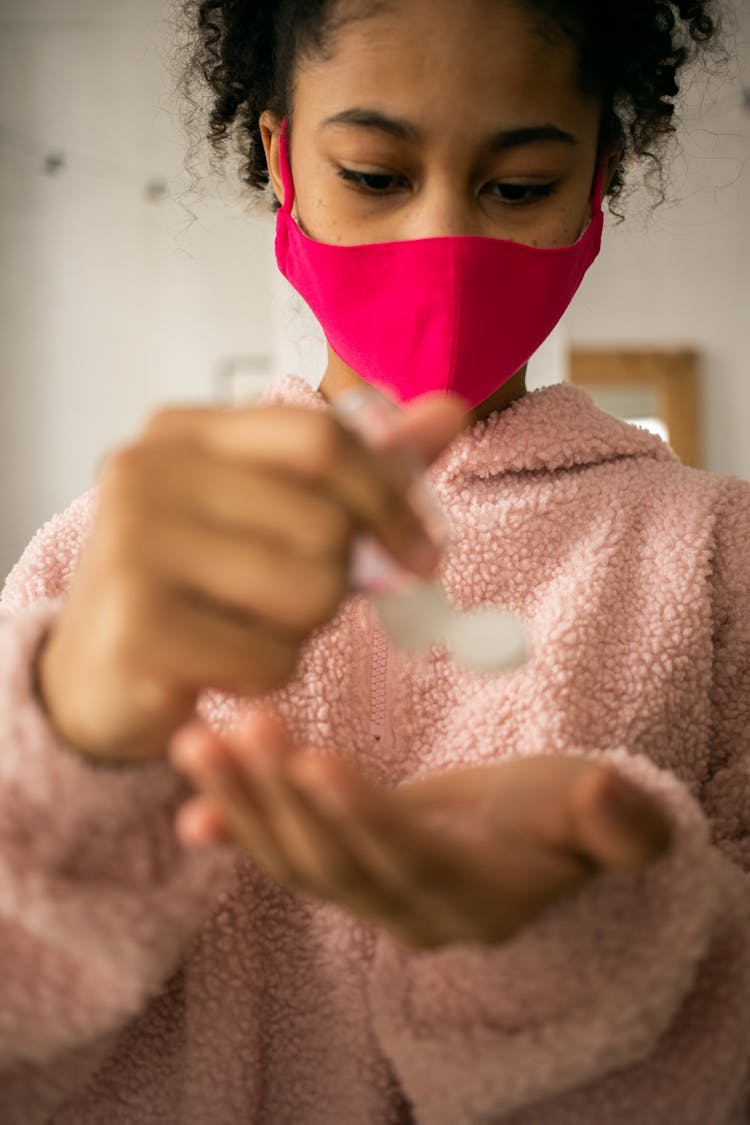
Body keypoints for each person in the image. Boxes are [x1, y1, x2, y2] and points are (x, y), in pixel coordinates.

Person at [0, 0, 747, 1121]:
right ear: (281, 156)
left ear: (602, 174)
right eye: (376, 174)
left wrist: (592, 930)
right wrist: (72, 752)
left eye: (520, 187)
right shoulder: (107, 558)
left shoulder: (718, 560)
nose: (440, 244)